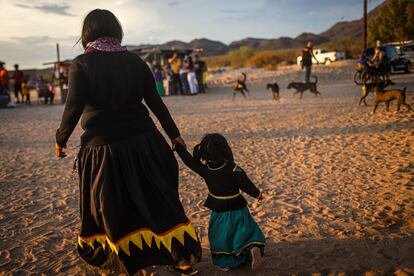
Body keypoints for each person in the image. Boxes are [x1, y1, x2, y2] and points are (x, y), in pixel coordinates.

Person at [54, 9, 201, 275]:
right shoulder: (134, 61)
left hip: (103, 151)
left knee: (111, 207)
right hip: (145, 142)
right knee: (159, 199)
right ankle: (182, 257)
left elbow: (72, 107)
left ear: (87, 33)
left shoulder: (81, 64)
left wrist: (60, 139)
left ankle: (126, 260)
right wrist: (173, 133)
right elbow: (155, 101)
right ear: (116, 30)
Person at [174, 133, 265, 272]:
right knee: (244, 231)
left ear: (203, 152)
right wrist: (258, 194)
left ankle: (224, 263)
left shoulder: (205, 170)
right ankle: (253, 248)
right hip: (238, 208)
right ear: (225, 149)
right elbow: (246, 184)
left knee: (221, 236)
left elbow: (188, 161)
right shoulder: (234, 168)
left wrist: (179, 147)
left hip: (219, 210)